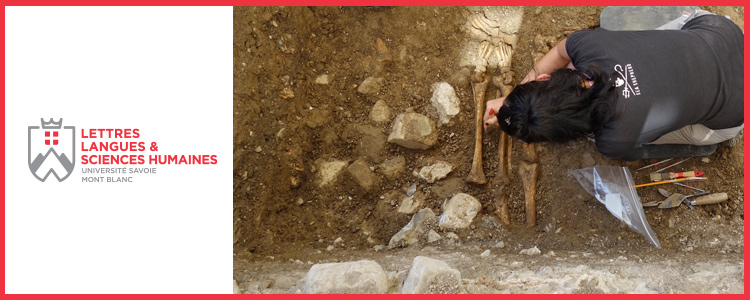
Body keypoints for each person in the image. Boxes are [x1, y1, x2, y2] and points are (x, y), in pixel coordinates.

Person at [483, 10, 744, 161]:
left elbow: (643, 149)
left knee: (696, 133)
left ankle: (725, 134)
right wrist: (512, 99)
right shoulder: (587, 45)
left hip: (738, 108)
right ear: (542, 80)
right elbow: (561, 56)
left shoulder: (613, 142)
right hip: (721, 31)